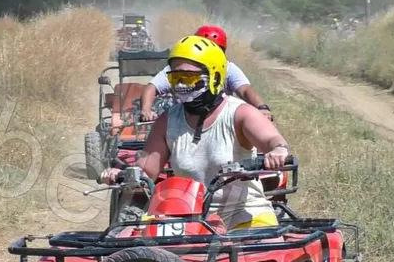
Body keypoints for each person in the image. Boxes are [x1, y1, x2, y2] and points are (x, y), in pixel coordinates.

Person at [100, 34, 290, 231]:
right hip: (187, 218)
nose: (181, 85)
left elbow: (272, 140)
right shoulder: (167, 120)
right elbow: (147, 170)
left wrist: (278, 150)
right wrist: (123, 174)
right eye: (176, 78)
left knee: (263, 254)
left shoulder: (240, 113)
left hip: (244, 215)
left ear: (215, 77)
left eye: (189, 77)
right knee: (133, 247)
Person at [138, 25, 273, 122]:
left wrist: (262, 108)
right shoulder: (181, 69)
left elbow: (245, 90)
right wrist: (146, 109)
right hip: (183, 119)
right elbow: (152, 87)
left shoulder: (228, 69)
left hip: (219, 120)